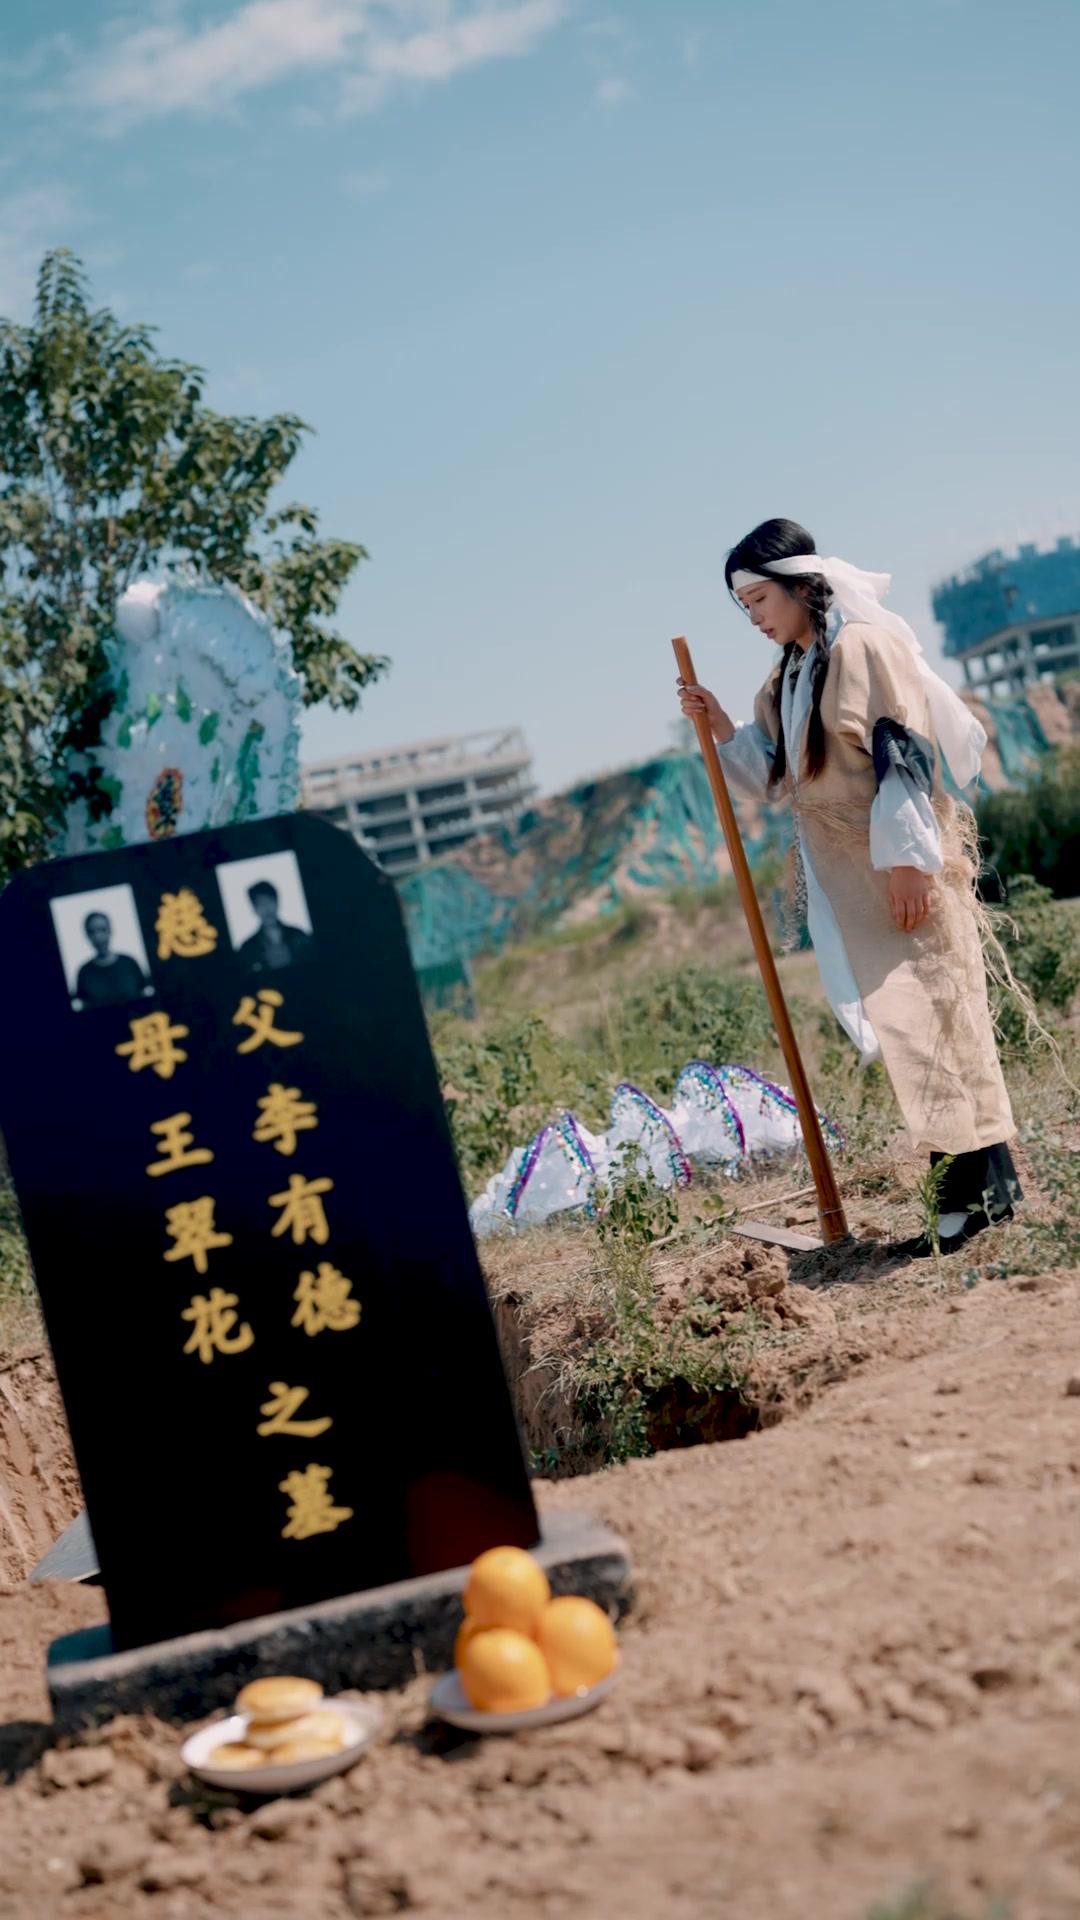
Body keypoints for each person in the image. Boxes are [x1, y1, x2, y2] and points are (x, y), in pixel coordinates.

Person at [678, 517, 1021, 1259]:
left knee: (940, 1018)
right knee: (912, 1029)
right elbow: (777, 775)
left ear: (802, 584)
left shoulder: (862, 648)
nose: (756, 617)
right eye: (745, 608)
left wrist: (907, 862)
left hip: (896, 862)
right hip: (845, 872)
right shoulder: (787, 676)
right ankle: (971, 1197)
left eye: (761, 598)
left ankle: (974, 1199)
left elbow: (903, 753)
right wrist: (720, 726)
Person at [75, 911, 150, 1009]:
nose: (98, 937)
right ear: (87, 936)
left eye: (102, 930)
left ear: (110, 930)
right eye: (92, 932)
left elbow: (145, 997)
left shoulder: (129, 962)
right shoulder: (84, 972)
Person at [238, 880, 313, 974]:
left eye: (270, 901)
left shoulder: (299, 936)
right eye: (260, 903)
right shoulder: (247, 949)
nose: (266, 908)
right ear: (254, 908)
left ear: (277, 902)